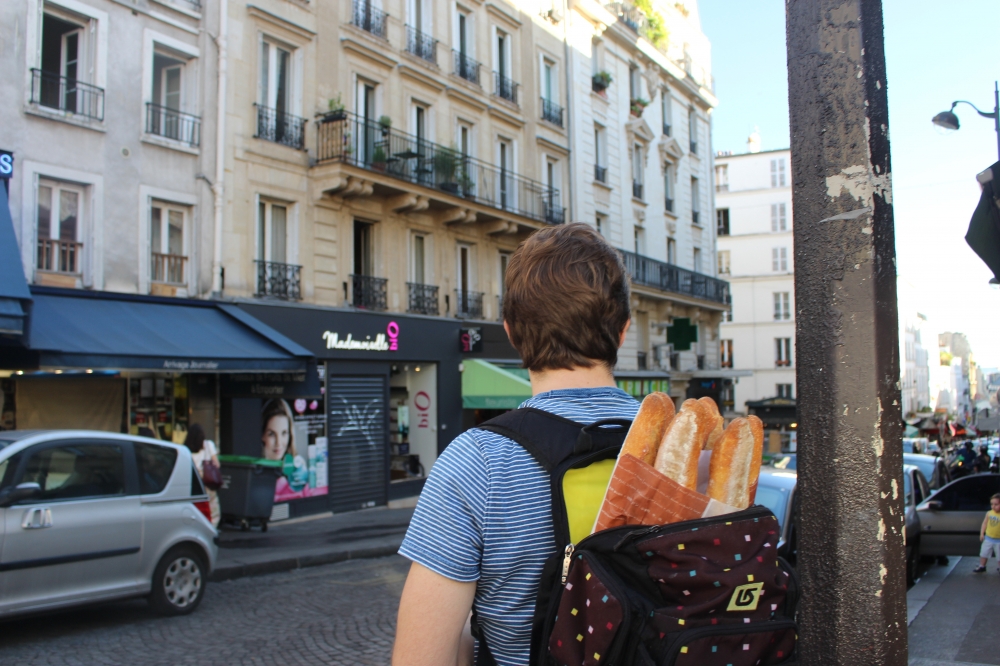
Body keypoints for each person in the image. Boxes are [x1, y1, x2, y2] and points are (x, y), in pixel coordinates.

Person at [393, 223, 639, 666]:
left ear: (511, 332)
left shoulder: (478, 461)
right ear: (622, 331)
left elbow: (419, 657)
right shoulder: (689, 449)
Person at [186, 424, 220, 527]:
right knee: (213, 510)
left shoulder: (186, 449)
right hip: (207, 482)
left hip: (193, 484)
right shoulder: (209, 445)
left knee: (196, 509)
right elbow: (216, 464)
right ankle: (211, 529)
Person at [973, 493, 1000, 573]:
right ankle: (982, 566)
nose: (993, 506)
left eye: (996, 504)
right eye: (992, 504)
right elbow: (984, 523)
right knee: (984, 553)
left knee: (999, 555)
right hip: (988, 538)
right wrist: (982, 533)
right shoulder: (989, 513)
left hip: (999, 540)